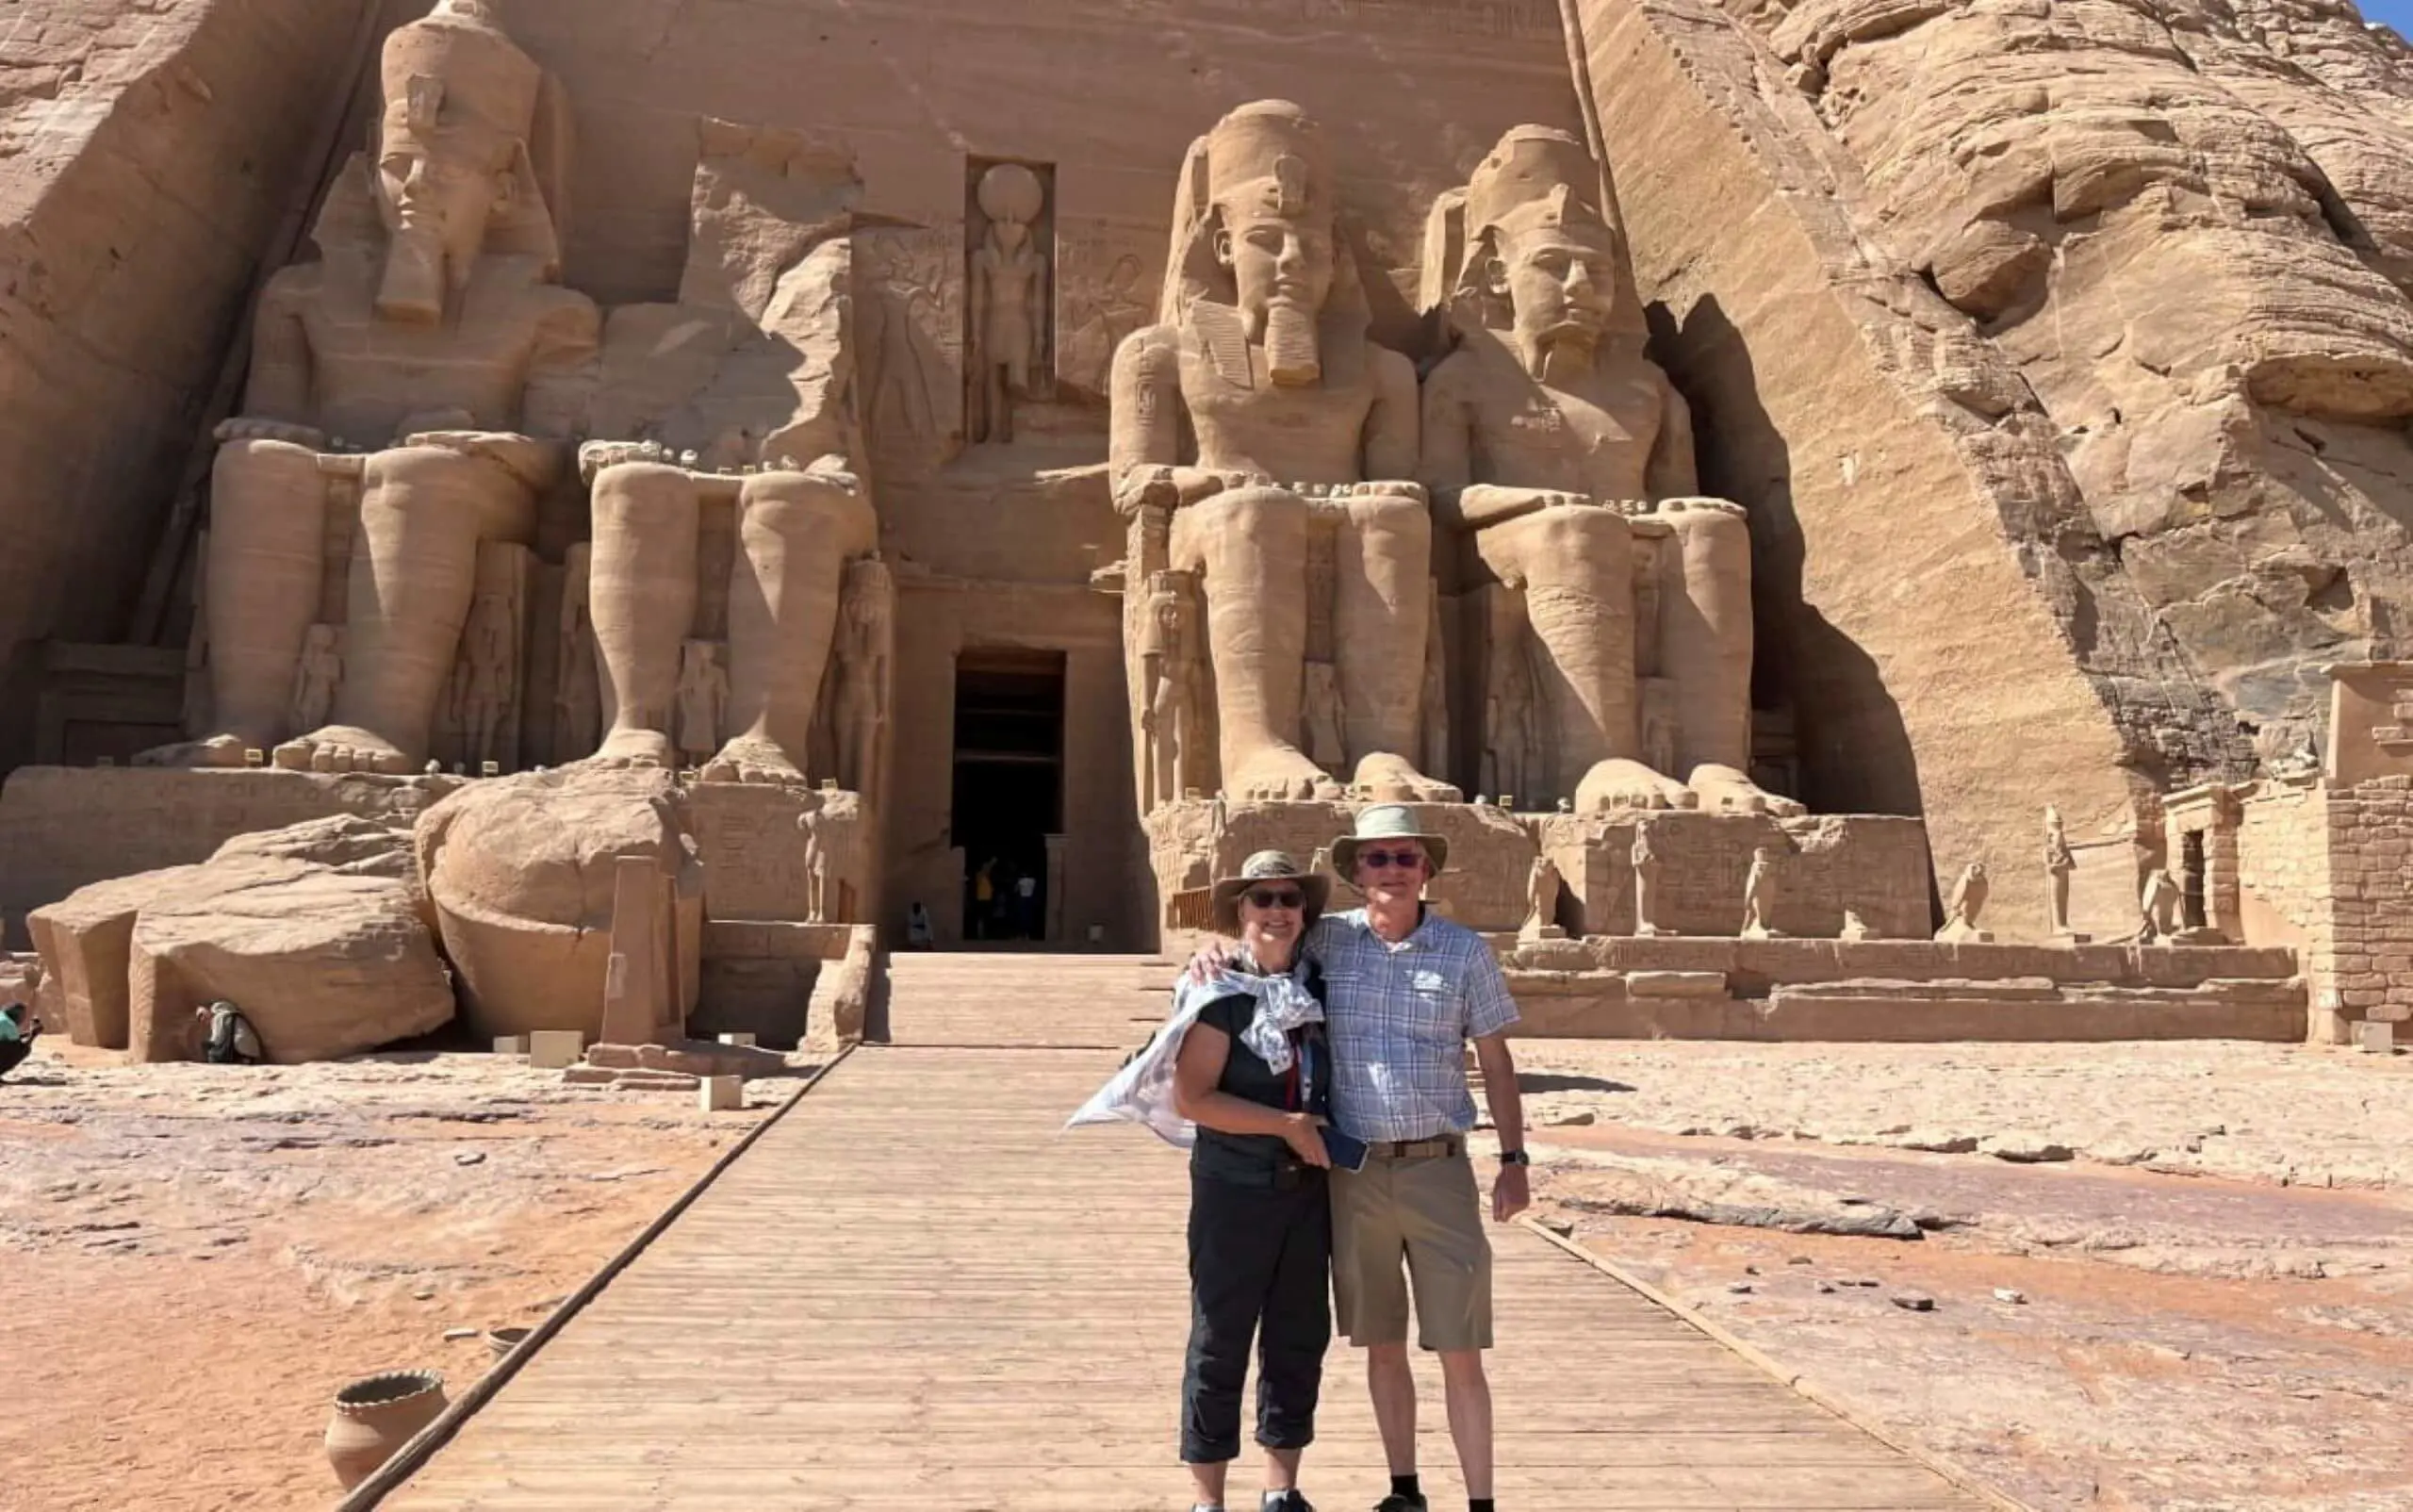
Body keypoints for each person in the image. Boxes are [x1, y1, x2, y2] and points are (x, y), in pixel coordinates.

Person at [1193, 805, 1527, 1512]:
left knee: (1459, 1347)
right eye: (1377, 860)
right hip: (1354, 1171)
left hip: (1437, 1163)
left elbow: (1498, 1063)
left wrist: (1514, 1157)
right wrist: (1207, 952)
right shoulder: (1331, 943)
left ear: (1426, 869)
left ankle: (1481, 1502)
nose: (1393, 871)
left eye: (1405, 858)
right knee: (1381, 1341)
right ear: (1353, 873)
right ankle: (1404, 1489)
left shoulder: (1465, 951)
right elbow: (1261, 949)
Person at [1173, 851, 1337, 1512]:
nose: (1276, 911)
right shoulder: (1220, 993)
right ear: (1241, 911)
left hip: (1307, 1190)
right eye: (1262, 900)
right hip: (1234, 1187)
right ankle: (1207, 1499)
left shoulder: (1319, 985)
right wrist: (1284, 1124)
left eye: (1288, 900)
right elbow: (1194, 1098)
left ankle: (1280, 1489)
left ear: (1304, 913)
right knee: (1221, 1338)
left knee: (1298, 1337)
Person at [196, 1001, 264, 1066]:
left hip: (241, 1051)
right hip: (251, 1051)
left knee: (212, 1052)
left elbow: (217, 1039)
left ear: (208, 1010)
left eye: (201, 1015)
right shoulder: (228, 1014)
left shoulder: (218, 1017)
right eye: (199, 1018)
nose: (202, 1018)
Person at [0, 1003, 41, 1082]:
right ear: (18, 1016)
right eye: (23, 1016)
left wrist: (29, 1033)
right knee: (25, 1050)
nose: (23, 1019)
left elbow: (6, 1038)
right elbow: (19, 1047)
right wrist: (33, 1035)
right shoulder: (8, 1024)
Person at [1014, 870, 1042, 941]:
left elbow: (1016, 889)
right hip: (1030, 899)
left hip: (1023, 899)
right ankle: (1028, 934)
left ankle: (1022, 933)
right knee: (1029, 916)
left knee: (1022, 916)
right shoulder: (1033, 880)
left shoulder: (1021, 881)